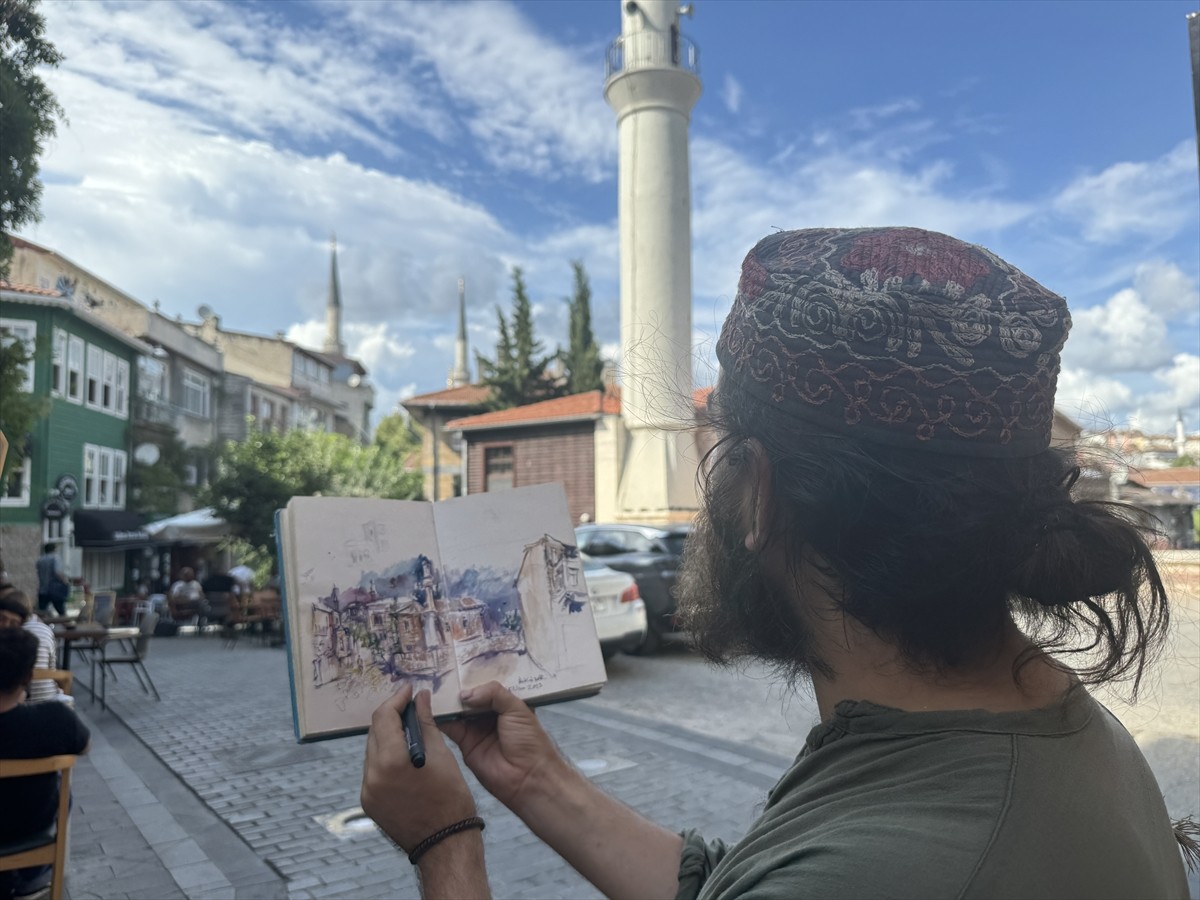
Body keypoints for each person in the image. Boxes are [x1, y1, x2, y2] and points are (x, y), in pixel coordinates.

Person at [360, 227, 1194, 898]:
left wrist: (445, 847)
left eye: (712, 447)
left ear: (757, 490)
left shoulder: (892, 863)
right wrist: (536, 779)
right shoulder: (1038, 727)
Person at [0, 628, 90, 900]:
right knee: (63, 790)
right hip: (30, 831)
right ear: (28, 676)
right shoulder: (55, 718)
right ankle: (29, 874)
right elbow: (85, 748)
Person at [0, 592, 69, 705]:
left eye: (13, 622)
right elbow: (52, 669)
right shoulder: (43, 631)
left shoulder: (22, 645)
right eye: (2, 619)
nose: (7, 625)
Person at [34, 545, 70, 618]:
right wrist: (65, 581)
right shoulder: (55, 558)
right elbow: (57, 572)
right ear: (54, 550)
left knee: (42, 612)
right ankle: (67, 626)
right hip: (55, 589)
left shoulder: (40, 560)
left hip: (43, 589)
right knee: (61, 611)